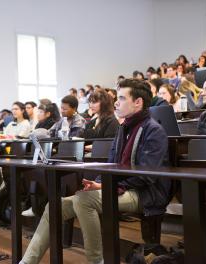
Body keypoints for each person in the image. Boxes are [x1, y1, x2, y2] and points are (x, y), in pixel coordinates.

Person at [20, 79, 170, 264]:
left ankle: (96, 261)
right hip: (121, 187)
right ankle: (27, 262)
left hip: (145, 193)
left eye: (122, 98)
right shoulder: (124, 129)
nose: (116, 102)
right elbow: (111, 164)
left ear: (138, 102)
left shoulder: (153, 130)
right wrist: (98, 183)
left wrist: (106, 184)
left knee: (84, 201)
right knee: (54, 206)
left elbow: (146, 175)